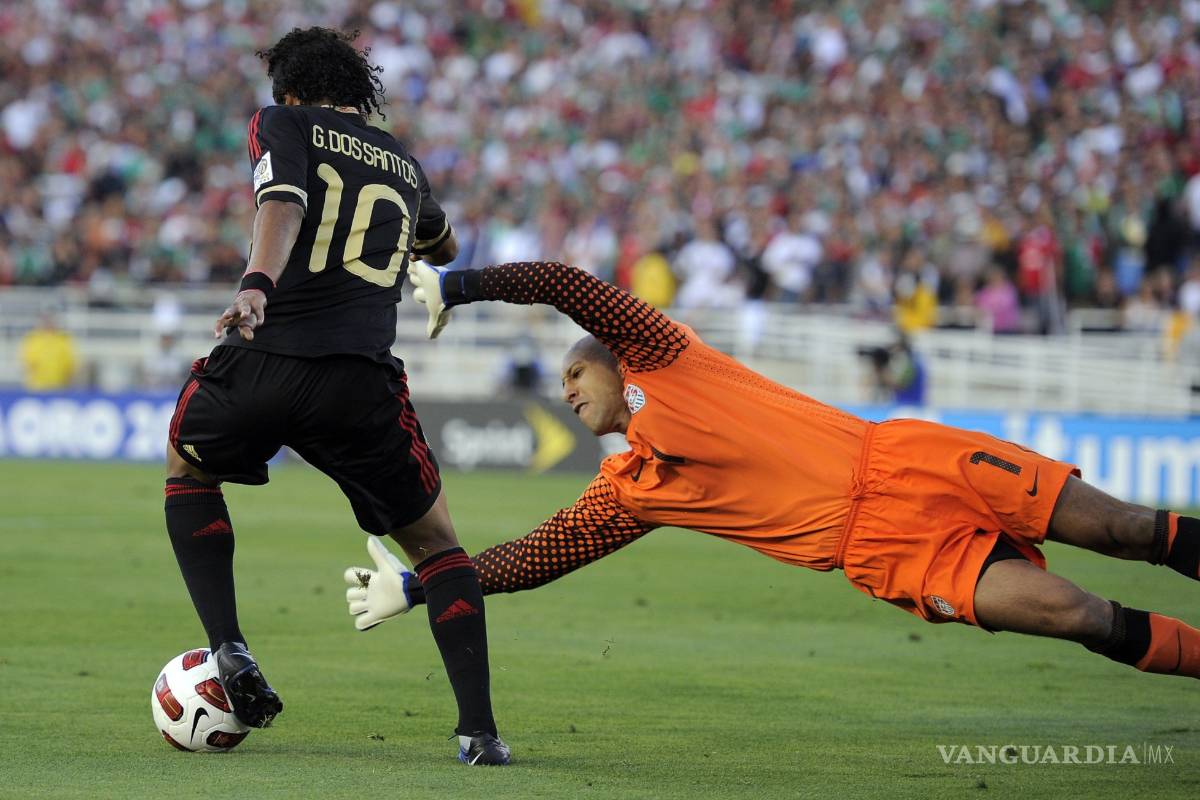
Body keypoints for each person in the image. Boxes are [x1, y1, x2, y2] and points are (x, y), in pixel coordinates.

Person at [346, 259, 1200, 694]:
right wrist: (425, 587)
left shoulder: (669, 356)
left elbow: (569, 285)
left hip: (909, 456)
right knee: (1079, 614)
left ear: (613, 361)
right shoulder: (631, 490)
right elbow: (538, 556)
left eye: (575, 376)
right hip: (885, 549)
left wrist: (463, 284)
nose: (566, 393)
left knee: (1127, 527)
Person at [163, 27, 509, 766]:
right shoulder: (403, 163)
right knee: (439, 546)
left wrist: (257, 286)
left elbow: (282, 203)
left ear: (289, 89)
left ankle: (228, 644)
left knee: (187, 465)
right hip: (361, 380)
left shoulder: (281, 122)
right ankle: (479, 732)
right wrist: (423, 246)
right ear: (359, 92)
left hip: (270, 358)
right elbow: (443, 245)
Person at [19, 312, 78, 391]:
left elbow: (70, 362)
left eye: (50, 321)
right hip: (37, 386)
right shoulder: (33, 338)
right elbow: (27, 361)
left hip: (59, 385)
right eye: (45, 321)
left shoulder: (63, 339)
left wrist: (69, 379)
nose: (48, 324)